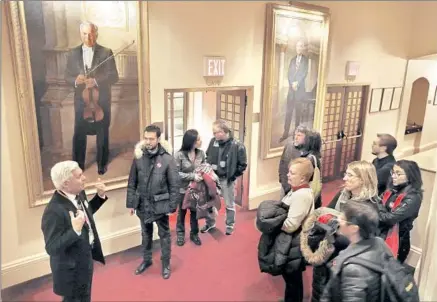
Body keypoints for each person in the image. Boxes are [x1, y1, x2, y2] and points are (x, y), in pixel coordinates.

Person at [41, 160, 108, 302]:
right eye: (79, 176)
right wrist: (74, 231)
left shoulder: (79, 193)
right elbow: (52, 248)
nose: (84, 178)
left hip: (85, 260)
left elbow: (86, 215)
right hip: (71, 271)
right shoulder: (53, 211)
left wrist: (100, 197)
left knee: (85, 298)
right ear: (66, 183)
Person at [64, 21, 119, 175]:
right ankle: (78, 166)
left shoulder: (106, 52)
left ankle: (102, 165)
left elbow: (114, 76)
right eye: (85, 34)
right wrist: (76, 80)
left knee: (102, 132)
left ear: (96, 33)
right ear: (80, 34)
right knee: (79, 133)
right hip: (82, 102)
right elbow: (66, 77)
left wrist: (95, 81)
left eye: (91, 33)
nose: (88, 37)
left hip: (101, 101)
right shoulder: (72, 53)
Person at [126, 125, 180, 279]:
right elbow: (132, 182)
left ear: (158, 139)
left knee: (164, 235)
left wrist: (172, 206)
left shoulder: (167, 159)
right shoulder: (138, 157)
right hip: (142, 204)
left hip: (160, 205)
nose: (148, 141)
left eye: (151, 138)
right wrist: (131, 204)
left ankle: (166, 264)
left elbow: (174, 185)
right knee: (145, 234)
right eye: (146, 138)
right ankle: (147, 260)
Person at [320, 201, 392, 301]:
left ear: (354, 228)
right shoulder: (379, 243)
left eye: (343, 219)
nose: (338, 220)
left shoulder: (354, 270)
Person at [202, 119, 247, 235]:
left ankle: (230, 224)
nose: (215, 134)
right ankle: (210, 223)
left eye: (217, 132)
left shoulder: (237, 145)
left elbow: (242, 165)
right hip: (212, 178)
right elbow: (207, 156)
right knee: (210, 201)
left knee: (229, 203)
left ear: (225, 131)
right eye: (214, 132)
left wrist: (232, 176)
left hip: (227, 180)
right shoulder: (213, 141)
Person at [377, 160, 423, 263]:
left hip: (397, 241)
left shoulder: (413, 197)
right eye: (393, 172)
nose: (393, 176)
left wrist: (377, 209)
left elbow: (390, 219)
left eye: (398, 174)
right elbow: (377, 203)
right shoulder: (393, 189)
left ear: (410, 176)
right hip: (380, 235)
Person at [174, 129, 205, 246]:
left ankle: (194, 234)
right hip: (182, 190)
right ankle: (180, 234)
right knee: (181, 213)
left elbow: (204, 166)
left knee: (194, 212)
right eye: (198, 139)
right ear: (191, 141)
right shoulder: (179, 155)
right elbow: (176, 173)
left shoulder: (201, 153)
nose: (200, 141)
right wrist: (192, 176)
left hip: (196, 189)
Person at [278, 125, 323, 207]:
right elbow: (282, 164)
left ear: (306, 138)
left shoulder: (311, 156)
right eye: (295, 134)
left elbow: (313, 178)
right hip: (285, 184)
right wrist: (283, 181)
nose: (296, 137)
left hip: (301, 192)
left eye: (299, 135)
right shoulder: (289, 146)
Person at [280, 40, 309, 143]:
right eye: (297, 46)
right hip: (291, 92)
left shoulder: (305, 60)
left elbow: (304, 73)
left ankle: (296, 134)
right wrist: (292, 83)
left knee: (298, 114)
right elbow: (289, 74)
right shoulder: (292, 60)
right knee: (288, 113)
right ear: (296, 48)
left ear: (303, 48)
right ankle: (285, 132)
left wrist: (297, 83)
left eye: (301, 46)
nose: (299, 48)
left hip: (300, 92)